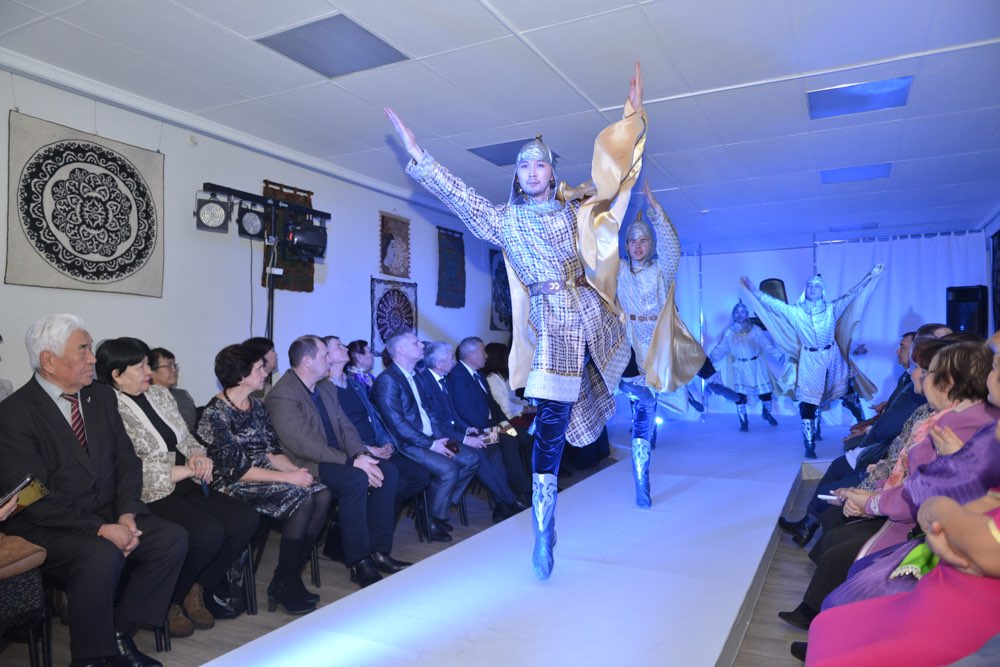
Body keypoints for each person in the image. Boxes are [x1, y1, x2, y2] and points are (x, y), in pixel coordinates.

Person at [386, 62, 646, 579]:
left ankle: (642, 471)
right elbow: (460, 196)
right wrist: (419, 155)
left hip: (592, 315)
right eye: (523, 165)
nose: (531, 172)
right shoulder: (504, 221)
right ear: (517, 175)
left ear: (551, 171)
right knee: (549, 429)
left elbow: (616, 182)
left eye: (539, 165)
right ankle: (545, 531)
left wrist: (632, 120)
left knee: (640, 386)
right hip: (553, 328)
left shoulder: (575, 210)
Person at [0, 314, 186, 667]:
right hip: (47, 524)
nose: (93, 358)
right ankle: (91, 658)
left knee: (170, 539)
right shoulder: (14, 413)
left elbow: (127, 460)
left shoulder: (100, 396)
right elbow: (33, 495)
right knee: (101, 554)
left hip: (107, 511)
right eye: (83, 349)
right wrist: (101, 529)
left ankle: (119, 634)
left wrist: (126, 513)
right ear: (48, 360)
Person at [777, 338, 999, 633]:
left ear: (947, 382)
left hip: (927, 528)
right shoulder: (955, 419)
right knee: (837, 534)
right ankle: (824, 622)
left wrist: (871, 501)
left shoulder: (954, 426)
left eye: (927, 371)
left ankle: (834, 629)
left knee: (846, 553)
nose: (920, 376)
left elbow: (925, 489)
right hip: (920, 515)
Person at [95, 337, 260, 637]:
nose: (149, 371)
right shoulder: (108, 409)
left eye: (148, 364)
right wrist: (184, 470)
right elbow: (126, 469)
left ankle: (195, 586)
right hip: (148, 494)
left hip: (182, 483)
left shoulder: (159, 394)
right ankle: (170, 600)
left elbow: (185, 438)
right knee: (207, 533)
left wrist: (196, 455)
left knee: (245, 519)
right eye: (141, 366)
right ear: (117, 375)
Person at [265, 335, 411, 589]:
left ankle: (379, 551)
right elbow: (304, 445)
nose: (329, 360)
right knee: (355, 479)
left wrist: (361, 455)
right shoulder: (282, 395)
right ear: (308, 361)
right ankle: (359, 561)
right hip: (305, 463)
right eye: (324, 356)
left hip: (337, 457)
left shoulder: (324, 387)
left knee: (386, 471)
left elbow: (346, 428)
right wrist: (351, 462)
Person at [197, 343, 330, 615]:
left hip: (263, 474)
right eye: (259, 369)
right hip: (233, 484)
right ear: (241, 376)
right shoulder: (215, 414)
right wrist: (290, 480)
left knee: (321, 493)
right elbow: (239, 471)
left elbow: (272, 452)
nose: (265, 373)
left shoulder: (256, 406)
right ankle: (285, 581)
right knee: (303, 499)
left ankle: (286, 577)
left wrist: (296, 473)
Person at [803, 487, 1000, 666]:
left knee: (834, 648)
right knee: (827, 624)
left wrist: (939, 507)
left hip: (966, 620)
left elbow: (985, 546)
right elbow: (985, 505)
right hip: (936, 593)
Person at [777, 330, 931, 548]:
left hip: (885, 458)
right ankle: (808, 525)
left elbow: (890, 427)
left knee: (833, 483)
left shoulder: (917, 394)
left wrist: (868, 432)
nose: (898, 351)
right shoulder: (907, 380)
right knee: (837, 465)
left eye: (903, 347)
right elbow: (891, 419)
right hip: (884, 452)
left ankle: (818, 532)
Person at [616, 180, 719, 506]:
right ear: (626, 245)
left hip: (661, 340)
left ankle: (711, 387)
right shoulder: (618, 271)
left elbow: (673, 246)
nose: (637, 246)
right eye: (632, 241)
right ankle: (641, 482)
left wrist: (657, 212)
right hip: (631, 343)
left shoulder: (663, 269)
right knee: (642, 413)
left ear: (650, 244)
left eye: (643, 240)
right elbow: (595, 253)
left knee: (694, 361)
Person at [741, 266, 885, 458]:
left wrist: (870, 276)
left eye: (816, 286)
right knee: (809, 401)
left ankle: (864, 429)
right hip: (810, 360)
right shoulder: (795, 312)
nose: (812, 288)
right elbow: (772, 304)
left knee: (848, 393)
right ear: (805, 289)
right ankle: (809, 443)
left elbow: (852, 294)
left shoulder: (831, 308)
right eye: (809, 285)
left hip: (833, 358)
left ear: (822, 290)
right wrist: (753, 290)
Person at [371, 330, 479, 542]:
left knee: (471, 459)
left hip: (430, 439)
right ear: (401, 350)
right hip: (408, 445)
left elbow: (429, 412)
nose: (422, 345)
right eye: (415, 343)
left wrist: (440, 439)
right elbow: (398, 426)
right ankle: (431, 519)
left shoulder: (416, 376)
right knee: (449, 469)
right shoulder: (387, 381)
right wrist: (432, 444)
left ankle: (433, 505)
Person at [325, 336, 430, 523]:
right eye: (338, 346)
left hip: (377, 446)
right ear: (326, 356)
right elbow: (335, 432)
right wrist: (365, 449)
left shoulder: (356, 385)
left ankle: (374, 521)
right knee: (395, 482)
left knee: (420, 475)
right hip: (356, 451)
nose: (345, 348)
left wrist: (386, 442)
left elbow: (375, 418)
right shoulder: (324, 390)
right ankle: (370, 528)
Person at [421, 340, 526, 521]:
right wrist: (464, 437)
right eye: (450, 358)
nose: (454, 361)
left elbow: (454, 415)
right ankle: (511, 499)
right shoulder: (431, 383)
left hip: (461, 434)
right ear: (439, 363)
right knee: (482, 452)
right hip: (443, 442)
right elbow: (438, 424)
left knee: (495, 450)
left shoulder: (443, 380)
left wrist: (466, 429)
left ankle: (504, 502)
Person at [449, 337, 532, 501]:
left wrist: (506, 425)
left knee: (527, 435)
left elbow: (493, 405)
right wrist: (499, 429)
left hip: (492, 427)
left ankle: (534, 482)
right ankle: (523, 490)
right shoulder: (458, 377)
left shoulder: (478, 375)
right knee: (508, 438)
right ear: (471, 354)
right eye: (483, 351)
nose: (486, 356)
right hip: (477, 433)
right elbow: (467, 413)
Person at [708, 300, 787, 431]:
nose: (739, 315)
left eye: (743, 312)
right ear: (733, 315)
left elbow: (766, 345)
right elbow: (721, 348)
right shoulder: (729, 332)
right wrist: (710, 359)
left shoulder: (755, 330)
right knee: (740, 395)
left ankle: (766, 413)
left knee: (765, 392)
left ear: (747, 314)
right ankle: (743, 421)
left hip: (757, 366)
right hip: (740, 367)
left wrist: (778, 355)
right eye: (736, 312)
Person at [148, 347, 198, 432]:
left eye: (174, 365)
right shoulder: (146, 398)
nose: (174, 370)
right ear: (151, 371)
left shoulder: (183, 395)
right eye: (168, 366)